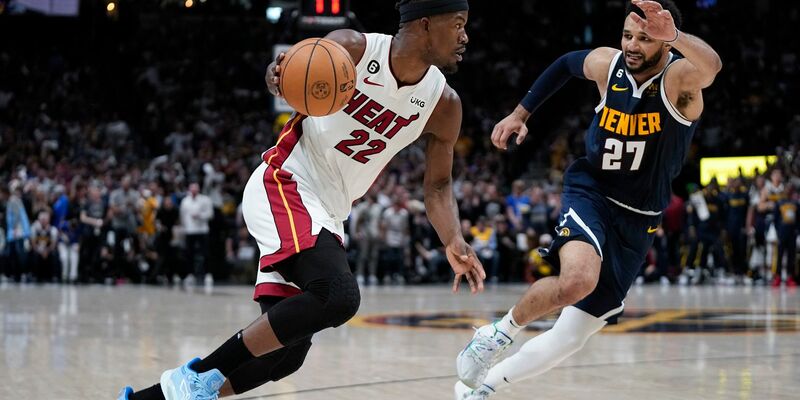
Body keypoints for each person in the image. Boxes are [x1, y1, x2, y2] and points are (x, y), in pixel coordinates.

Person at [118, 1, 485, 399]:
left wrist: (453, 238)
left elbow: (438, 186)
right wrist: (277, 76)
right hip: (286, 181)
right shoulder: (353, 49)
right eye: (459, 24)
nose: (466, 36)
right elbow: (287, 73)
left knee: (283, 356)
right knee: (339, 295)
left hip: (329, 210)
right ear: (426, 25)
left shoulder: (443, 103)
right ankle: (194, 378)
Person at [454, 1, 722, 398]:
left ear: (666, 43)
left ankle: (481, 388)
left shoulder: (679, 79)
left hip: (640, 217)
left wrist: (677, 37)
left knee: (571, 337)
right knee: (578, 280)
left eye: (645, 38)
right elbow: (564, 64)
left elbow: (712, 67)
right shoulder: (606, 65)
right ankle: (498, 333)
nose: (632, 45)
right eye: (628, 35)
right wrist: (520, 114)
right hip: (593, 192)